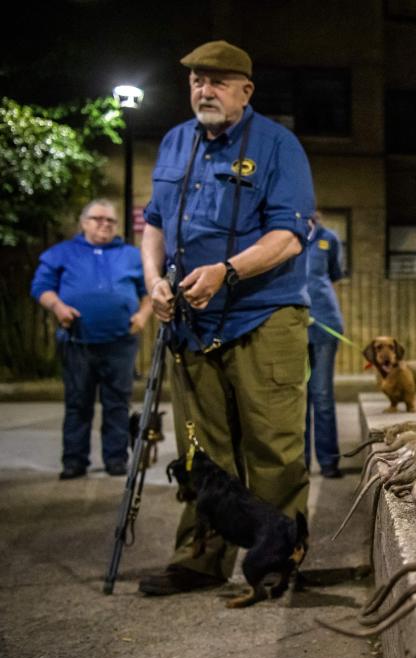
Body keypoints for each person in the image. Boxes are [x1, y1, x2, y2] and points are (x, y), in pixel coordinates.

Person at [137, 40, 316, 596]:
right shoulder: (174, 143)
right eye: (196, 81)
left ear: (245, 90)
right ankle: (200, 556)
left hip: (263, 316)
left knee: (272, 446)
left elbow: (289, 236)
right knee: (201, 450)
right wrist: (153, 282)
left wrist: (226, 272)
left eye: (217, 81)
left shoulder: (277, 145)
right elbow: (154, 224)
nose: (204, 90)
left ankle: (274, 559)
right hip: (190, 322)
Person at [31, 199, 151, 480]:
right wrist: (58, 307)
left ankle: (116, 459)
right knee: (77, 403)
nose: (104, 225)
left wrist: (143, 315)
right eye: (97, 219)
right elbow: (41, 286)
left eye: (110, 220)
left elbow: (149, 290)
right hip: (77, 341)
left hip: (120, 341)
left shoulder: (131, 255)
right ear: (83, 222)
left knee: (118, 403)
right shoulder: (62, 253)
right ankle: (74, 460)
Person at [304, 212, 345, 478]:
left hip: (324, 325)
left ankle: (328, 461)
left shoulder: (328, 239)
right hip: (292, 329)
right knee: (298, 400)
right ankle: (300, 463)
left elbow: (334, 275)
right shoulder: (284, 236)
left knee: (322, 396)